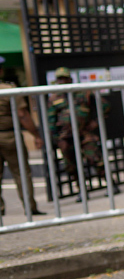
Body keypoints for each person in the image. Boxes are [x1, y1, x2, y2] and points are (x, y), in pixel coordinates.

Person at [47, 67, 113, 197]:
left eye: (64, 78)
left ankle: (111, 184)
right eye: (60, 79)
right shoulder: (54, 98)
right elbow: (51, 120)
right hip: (66, 137)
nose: (62, 81)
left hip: (84, 133)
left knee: (95, 159)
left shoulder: (84, 93)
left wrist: (95, 122)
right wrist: (57, 139)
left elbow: (105, 106)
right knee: (71, 165)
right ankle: (81, 190)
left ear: (70, 79)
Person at [0, 77, 44, 216]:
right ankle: (30, 207)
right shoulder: (8, 89)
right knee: (21, 172)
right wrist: (36, 135)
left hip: (8, 135)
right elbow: (22, 114)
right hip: (9, 136)